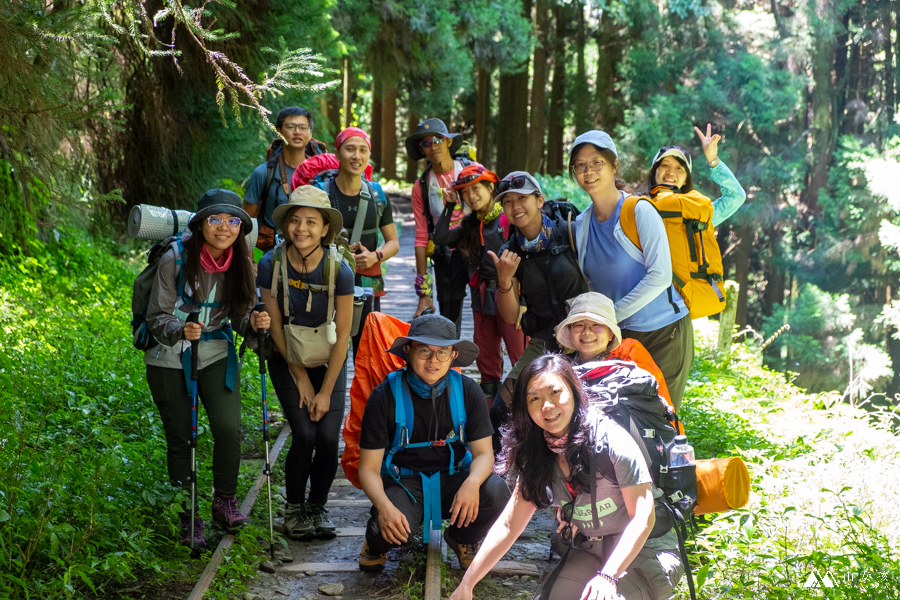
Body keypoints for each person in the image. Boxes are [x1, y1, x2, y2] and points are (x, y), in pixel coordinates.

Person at [449, 354, 684, 600]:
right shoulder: (537, 451)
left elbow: (643, 517)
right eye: (535, 399)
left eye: (555, 393)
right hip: (591, 548)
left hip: (645, 551)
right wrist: (467, 584)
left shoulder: (611, 440)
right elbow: (509, 525)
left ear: (574, 392)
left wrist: (607, 577)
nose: (546, 406)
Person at [144, 189, 270, 548]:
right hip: (167, 356)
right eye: (215, 220)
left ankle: (224, 500)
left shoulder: (241, 260)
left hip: (215, 350)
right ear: (200, 224)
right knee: (182, 438)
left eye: (233, 221)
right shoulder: (175, 259)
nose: (225, 228)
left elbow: (241, 313)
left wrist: (254, 323)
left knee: (229, 430)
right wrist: (179, 330)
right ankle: (189, 516)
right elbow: (157, 316)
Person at [356, 314, 511, 572]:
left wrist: (472, 484)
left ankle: (461, 538)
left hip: (455, 475)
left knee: (497, 492)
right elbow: (368, 468)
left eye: (442, 353)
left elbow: (484, 454)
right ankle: (375, 541)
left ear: (453, 356)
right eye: (424, 350)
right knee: (393, 530)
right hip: (403, 481)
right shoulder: (384, 396)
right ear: (408, 350)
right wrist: (384, 507)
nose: (433, 360)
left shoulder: (468, 391)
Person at [570, 130, 694, 411]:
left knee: (660, 420)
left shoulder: (639, 211)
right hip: (618, 336)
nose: (588, 171)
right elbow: (592, 282)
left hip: (664, 334)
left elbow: (660, 275)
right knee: (621, 419)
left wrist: (611, 315)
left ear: (614, 165)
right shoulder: (582, 224)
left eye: (597, 162)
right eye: (580, 165)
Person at [257, 186, 354, 540]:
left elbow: (344, 335)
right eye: (295, 220)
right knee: (304, 433)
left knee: (328, 437)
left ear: (326, 228)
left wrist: (325, 391)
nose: (302, 228)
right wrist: (300, 377)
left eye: (311, 222)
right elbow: (276, 328)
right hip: (287, 356)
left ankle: (317, 505)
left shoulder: (340, 269)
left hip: (329, 357)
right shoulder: (271, 264)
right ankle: (294, 507)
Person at [489, 172, 587, 449]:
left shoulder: (570, 231)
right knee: (500, 411)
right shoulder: (511, 251)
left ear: (539, 200)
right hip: (545, 340)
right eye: (508, 202)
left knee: (585, 410)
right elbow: (510, 317)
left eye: (522, 198)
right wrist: (505, 281)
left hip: (586, 338)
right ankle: (503, 477)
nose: (515, 206)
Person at [432, 163, 525, 401]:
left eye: (476, 189)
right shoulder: (470, 225)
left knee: (521, 355)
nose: (471, 196)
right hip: (481, 297)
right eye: (465, 192)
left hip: (513, 293)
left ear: (491, 187)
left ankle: (527, 407)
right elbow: (440, 237)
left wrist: (525, 300)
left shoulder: (509, 220)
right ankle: (490, 413)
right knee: (486, 358)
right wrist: (450, 204)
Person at [314, 127, 399, 354]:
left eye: (363, 150)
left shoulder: (377, 195)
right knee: (328, 348)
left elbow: (393, 242)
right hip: (326, 279)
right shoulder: (320, 193)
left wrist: (375, 256)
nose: (356, 156)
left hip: (367, 284)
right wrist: (339, 252)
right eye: (350, 149)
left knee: (367, 350)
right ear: (337, 153)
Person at [405, 118, 471, 333]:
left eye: (437, 139)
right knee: (450, 317)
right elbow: (422, 236)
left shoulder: (470, 172)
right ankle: (452, 361)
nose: (432, 146)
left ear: (448, 142)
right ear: (421, 150)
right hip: (446, 253)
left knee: (488, 313)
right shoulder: (421, 186)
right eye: (426, 143)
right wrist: (423, 292)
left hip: (477, 246)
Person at [243, 107, 326, 250]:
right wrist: (251, 261)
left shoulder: (322, 173)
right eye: (290, 127)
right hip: (273, 254)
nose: (297, 132)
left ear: (310, 132)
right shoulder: (263, 173)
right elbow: (246, 222)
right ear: (279, 131)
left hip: (314, 255)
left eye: (303, 127)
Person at [647, 125, 746, 228]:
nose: (671, 172)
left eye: (679, 168)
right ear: (652, 172)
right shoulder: (637, 207)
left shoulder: (697, 212)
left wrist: (713, 160)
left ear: (686, 180)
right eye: (665, 165)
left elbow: (736, 196)